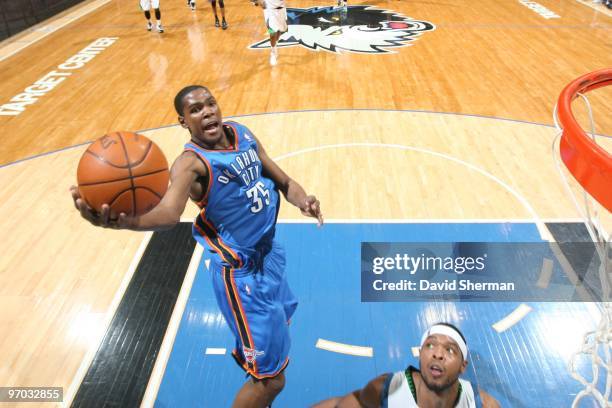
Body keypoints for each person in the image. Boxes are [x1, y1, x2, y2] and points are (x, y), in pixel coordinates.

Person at [70, 85, 323, 407]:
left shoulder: (242, 134)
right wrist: (122, 222)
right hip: (241, 277)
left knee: (276, 346)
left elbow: (284, 181)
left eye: (210, 104)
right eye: (196, 110)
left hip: (269, 256)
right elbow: (168, 215)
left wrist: (304, 200)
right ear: (183, 121)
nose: (207, 112)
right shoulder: (191, 164)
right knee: (270, 381)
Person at [313, 323, 500, 408]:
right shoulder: (385, 389)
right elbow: (340, 404)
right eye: (430, 345)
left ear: (463, 366)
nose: (438, 353)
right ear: (420, 355)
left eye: (450, 350)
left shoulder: (484, 404)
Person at [251, 0, 287, 66]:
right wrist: (258, 2)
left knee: (279, 31)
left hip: (281, 10)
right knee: (272, 32)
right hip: (269, 10)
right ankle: (273, 53)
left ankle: (275, 44)